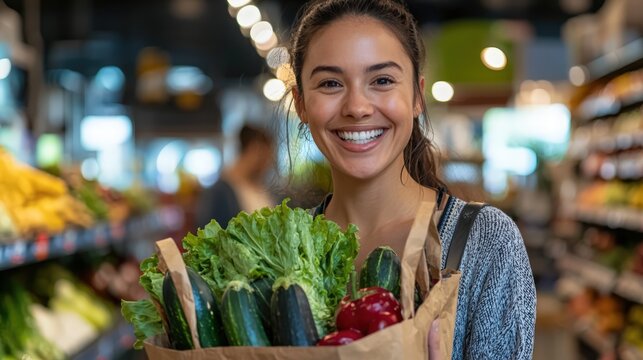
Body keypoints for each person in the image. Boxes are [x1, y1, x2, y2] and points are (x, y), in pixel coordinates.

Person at [287, 0, 536, 359]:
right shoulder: (282, 254)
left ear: (417, 96)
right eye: (330, 83)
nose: (357, 106)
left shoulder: (486, 243)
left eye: (382, 80)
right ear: (301, 104)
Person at [197, 124, 276, 228]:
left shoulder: (260, 188)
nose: (269, 164)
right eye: (267, 157)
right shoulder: (220, 191)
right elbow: (208, 232)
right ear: (255, 149)